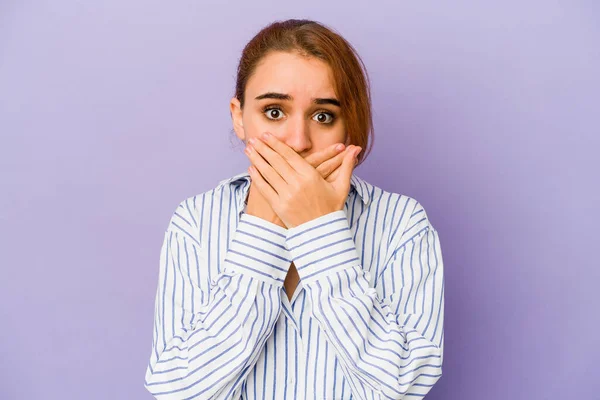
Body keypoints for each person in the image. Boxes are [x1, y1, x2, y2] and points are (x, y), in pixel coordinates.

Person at [144, 19, 445, 400]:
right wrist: (262, 227)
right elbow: (178, 389)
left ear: (348, 124)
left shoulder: (402, 224)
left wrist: (320, 229)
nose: (299, 141)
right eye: (274, 112)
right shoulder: (196, 221)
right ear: (239, 117)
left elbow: (402, 386)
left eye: (323, 116)